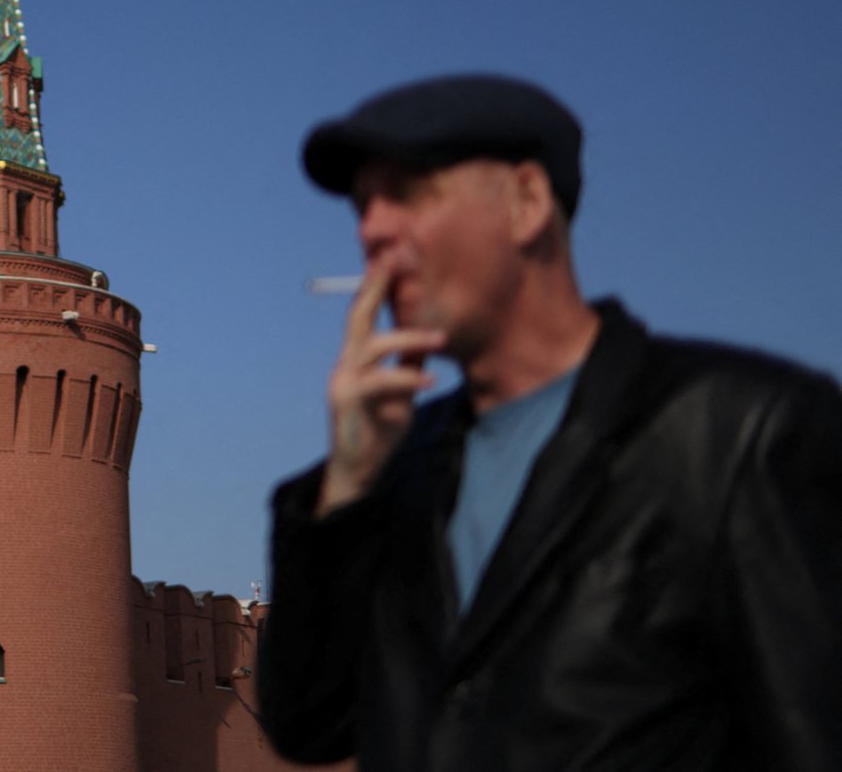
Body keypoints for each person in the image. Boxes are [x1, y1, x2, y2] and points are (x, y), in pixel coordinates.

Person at [256, 73, 842, 772]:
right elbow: (308, 723)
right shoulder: (405, 464)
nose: (372, 229)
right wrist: (346, 489)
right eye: (362, 205)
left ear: (529, 202)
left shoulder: (738, 433)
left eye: (409, 192)